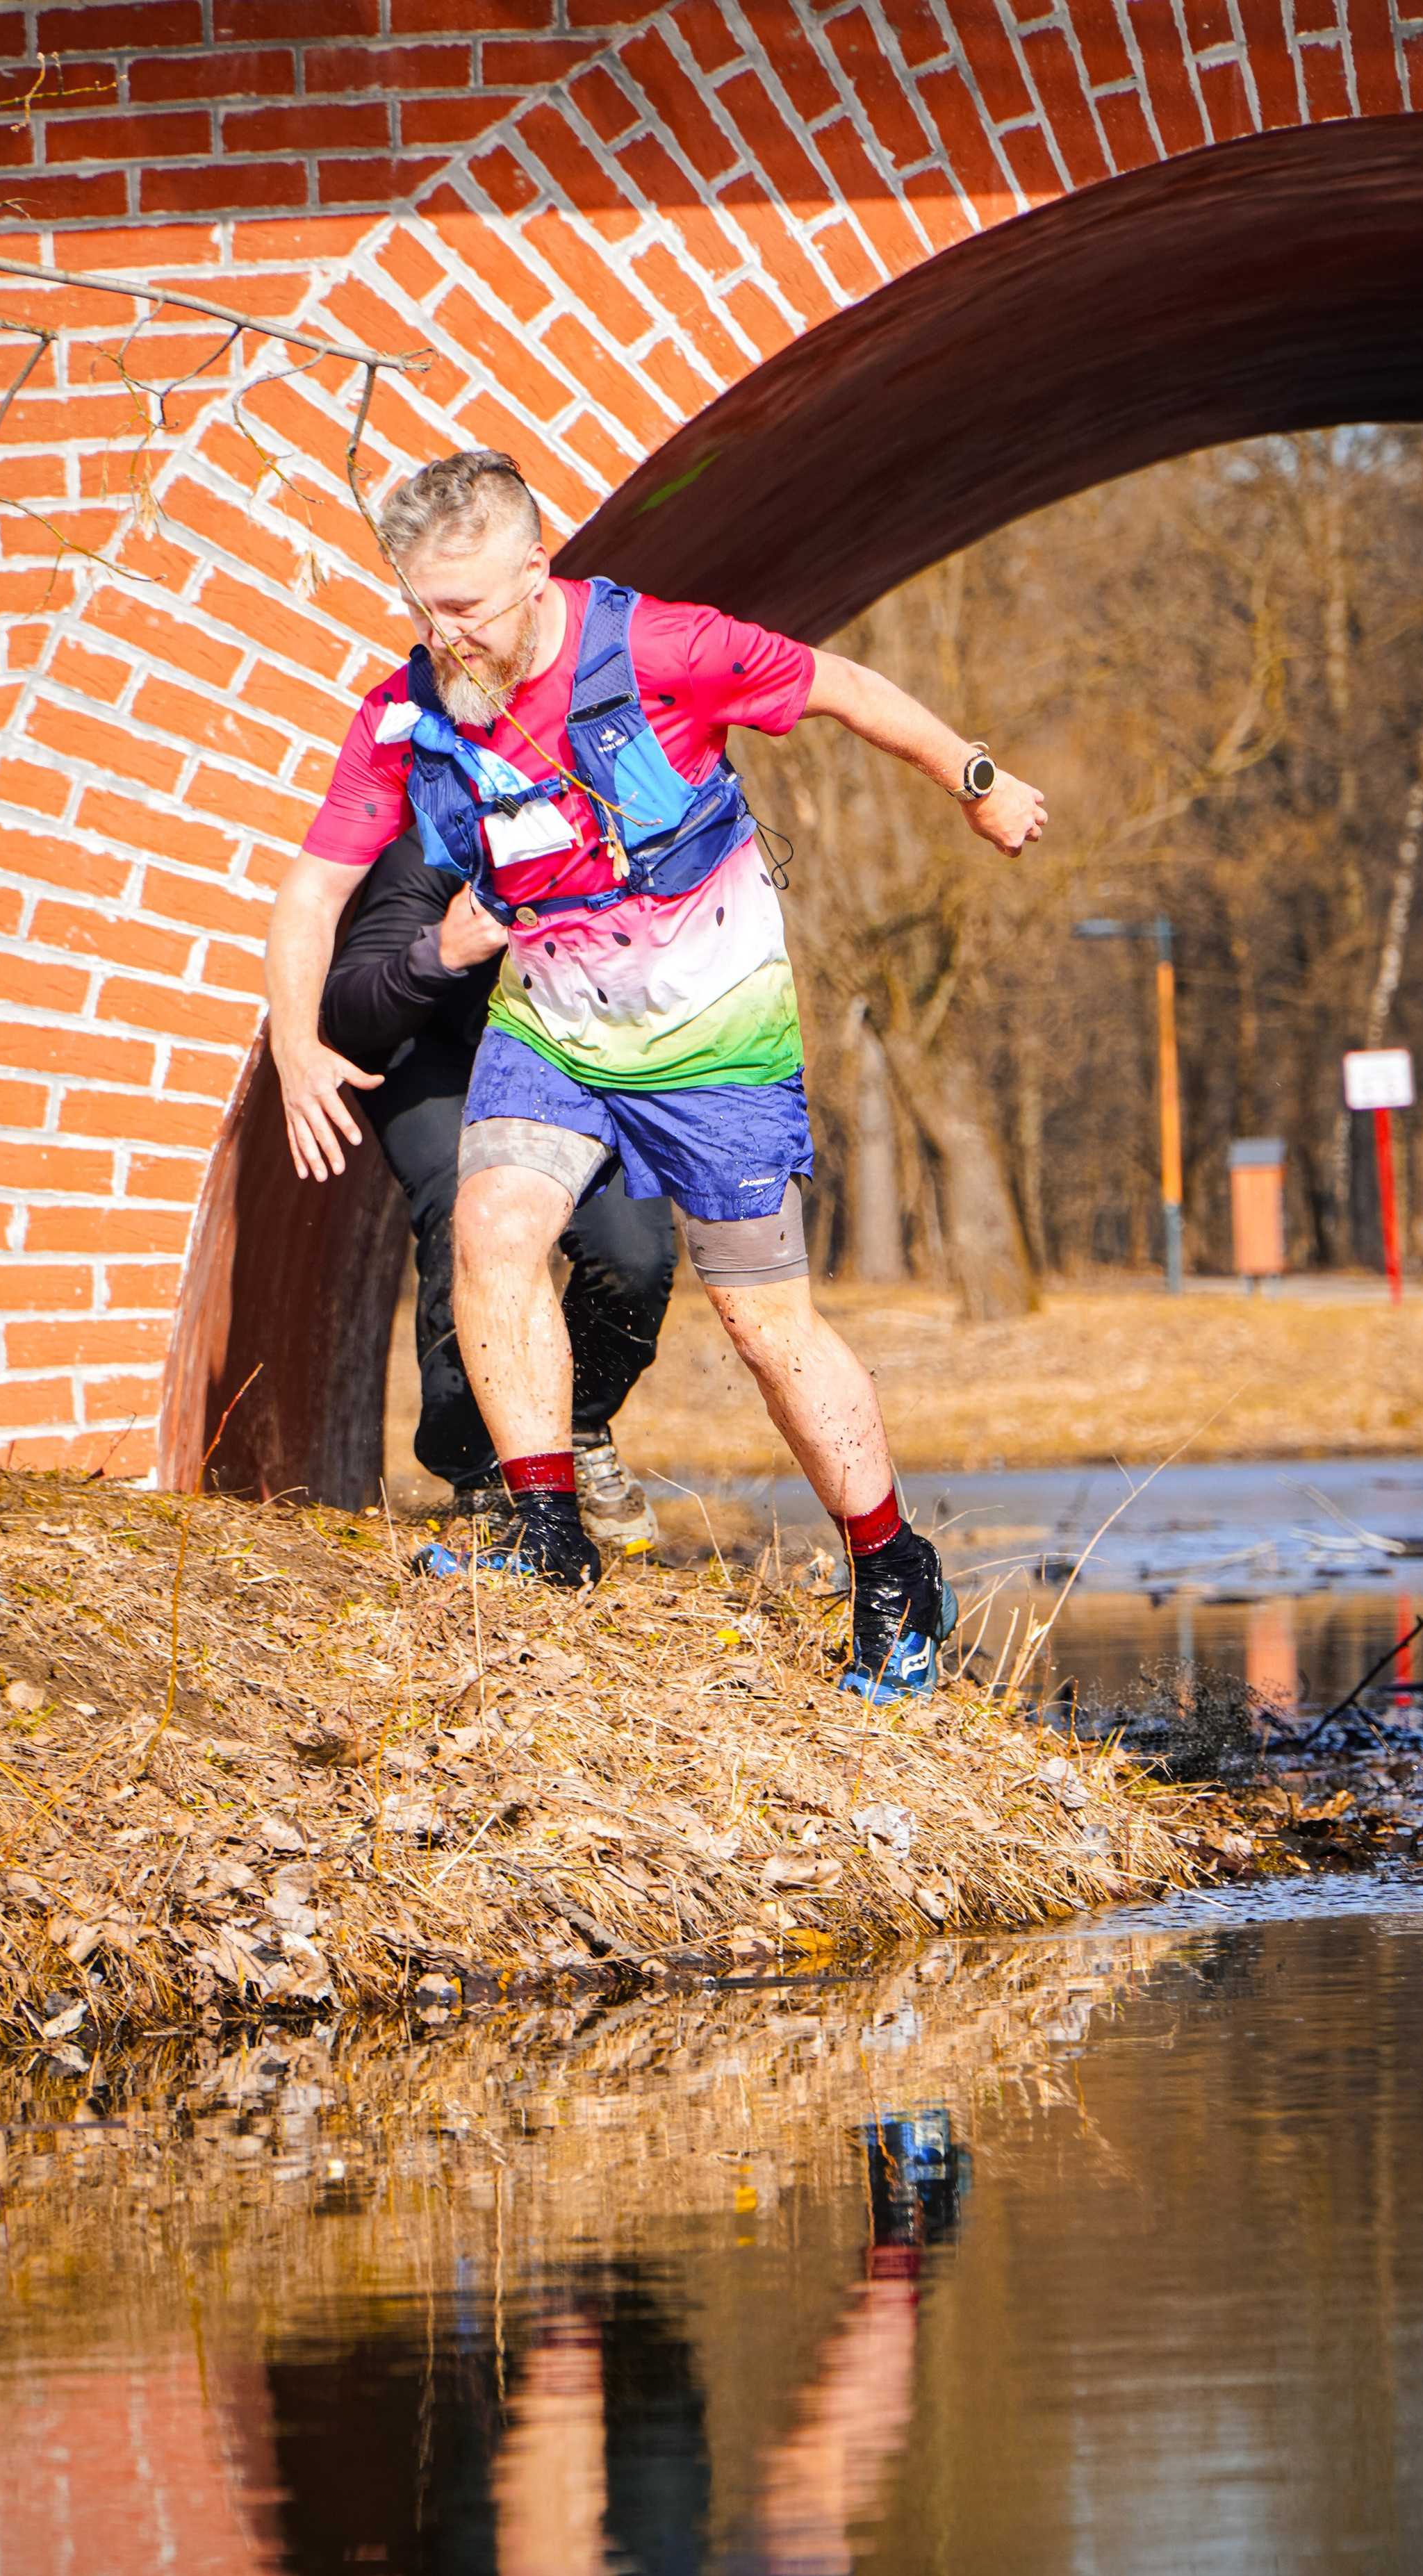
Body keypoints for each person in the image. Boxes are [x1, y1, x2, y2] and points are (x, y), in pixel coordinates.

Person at [266, 449, 1046, 1701]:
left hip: (714, 1035)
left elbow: (840, 685)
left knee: (763, 1323)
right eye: (421, 605)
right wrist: (297, 1039)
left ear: (536, 571)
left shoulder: (665, 649)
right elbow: (311, 890)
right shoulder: (406, 716)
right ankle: (546, 1531)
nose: (444, 633)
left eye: (466, 604)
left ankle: (894, 1568)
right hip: (555, 1026)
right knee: (493, 1225)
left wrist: (978, 781)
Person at [313, 823, 673, 1554]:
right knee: (467, 1211)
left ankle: (573, 1425)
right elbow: (346, 1012)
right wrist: (439, 954)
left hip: (564, 1058)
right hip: (434, 1053)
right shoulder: (437, 851)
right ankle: (479, 1471)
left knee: (634, 1255)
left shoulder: (641, 851)